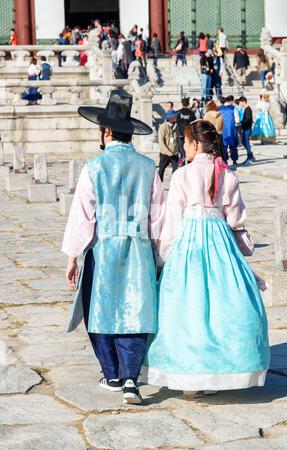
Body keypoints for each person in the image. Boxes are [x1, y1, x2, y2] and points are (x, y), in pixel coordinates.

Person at [142, 119, 270, 393]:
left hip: (189, 242)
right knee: (224, 303)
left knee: (189, 306)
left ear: (196, 144)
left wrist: (164, 257)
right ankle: (219, 372)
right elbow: (235, 219)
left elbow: (173, 222)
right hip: (221, 241)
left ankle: (190, 376)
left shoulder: (181, 175)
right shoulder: (228, 175)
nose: (184, 147)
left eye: (186, 142)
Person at [62, 89, 165, 406]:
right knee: (136, 310)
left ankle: (112, 374)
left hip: (102, 248)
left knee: (100, 310)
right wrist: (161, 256)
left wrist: (72, 257)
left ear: (106, 131)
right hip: (138, 249)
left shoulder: (93, 167)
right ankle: (132, 378)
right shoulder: (149, 168)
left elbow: (82, 215)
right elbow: (158, 216)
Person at [158, 109, 180, 181]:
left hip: (174, 153)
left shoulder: (176, 126)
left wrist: (180, 150)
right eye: (175, 116)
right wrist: (167, 151)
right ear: (171, 118)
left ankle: (175, 184)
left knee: (175, 170)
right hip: (165, 153)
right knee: (161, 169)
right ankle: (159, 184)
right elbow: (161, 141)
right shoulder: (163, 127)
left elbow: (178, 140)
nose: (177, 117)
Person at [219, 96, 239, 168]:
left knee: (224, 146)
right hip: (231, 128)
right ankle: (234, 160)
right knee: (233, 145)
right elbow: (237, 120)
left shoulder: (220, 109)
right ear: (230, 101)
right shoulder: (233, 108)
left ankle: (225, 160)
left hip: (223, 129)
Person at [177, 98, 196, 163]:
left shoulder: (178, 112)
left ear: (182, 103)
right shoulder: (191, 113)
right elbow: (194, 123)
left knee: (181, 151)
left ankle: (181, 164)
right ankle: (189, 163)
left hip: (180, 133)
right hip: (189, 134)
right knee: (189, 150)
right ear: (188, 104)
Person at [239, 97, 255, 163]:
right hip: (245, 128)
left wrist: (241, 122)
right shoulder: (245, 109)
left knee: (246, 142)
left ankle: (249, 157)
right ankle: (250, 155)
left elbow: (248, 119)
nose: (240, 104)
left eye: (240, 103)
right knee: (244, 142)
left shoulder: (248, 109)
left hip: (247, 128)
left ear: (244, 102)